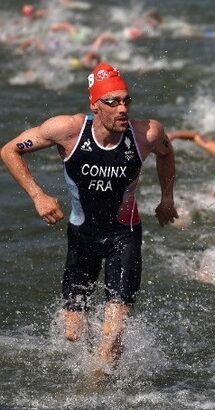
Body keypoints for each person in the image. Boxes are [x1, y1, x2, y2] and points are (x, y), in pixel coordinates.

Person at [0, 62, 178, 376]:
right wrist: (37, 195)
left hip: (125, 236)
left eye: (127, 101)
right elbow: (9, 150)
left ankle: (98, 386)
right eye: (113, 102)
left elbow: (167, 153)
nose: (123, 108)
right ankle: (101, 347)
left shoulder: (147, 133)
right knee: (72, 334)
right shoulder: (66, 130)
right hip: (82, 236)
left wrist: (167, 197)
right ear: (94, 105)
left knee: (111, 339)